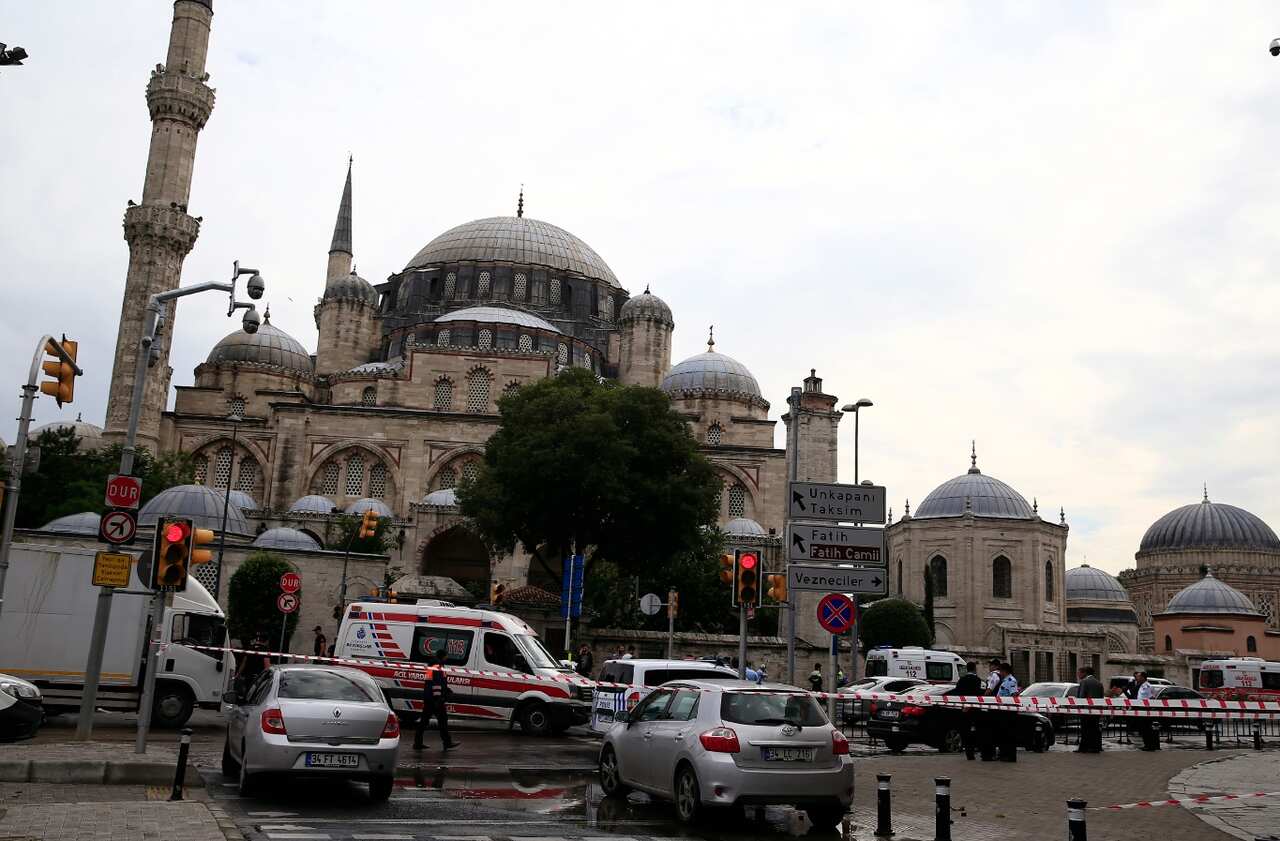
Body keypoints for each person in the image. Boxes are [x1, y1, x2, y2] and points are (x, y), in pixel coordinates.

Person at [414, 650, 458, 751]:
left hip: (430, 698)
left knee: (424, 721)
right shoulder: (437, 667)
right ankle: (447, 742)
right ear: (443, 657)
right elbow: (436, 684)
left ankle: (417, 743)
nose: (447, 658)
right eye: (446, 656)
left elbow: (436, 683)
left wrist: (446, 690)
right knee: (442, 720)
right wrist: (438, 699)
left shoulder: (434, 666)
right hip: (435, 699)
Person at [953, 662, 984, 760]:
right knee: (976, 730)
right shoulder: (977, 680)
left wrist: (963, 705)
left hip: (964, 709)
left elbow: (957, 693)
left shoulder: (961, 680)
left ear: (967, 669)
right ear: (974, 669)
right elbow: (978, 694)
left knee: (965, 731)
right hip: (975, 709)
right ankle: (977, 748)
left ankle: (968, 752)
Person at [995, 663, 1020, 762]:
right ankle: (1004, 754)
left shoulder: (1011, 681)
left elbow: (1014, 695)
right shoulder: (1005, 681)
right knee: (1004, 734)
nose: (1000, 673)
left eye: (1000, 671)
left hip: (1008, 711)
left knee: (1009, 734)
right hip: (1003, 710)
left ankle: (1010, 756)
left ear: (1004, 671)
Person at [1076, 666, 1104, 753]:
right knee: (1094, 729)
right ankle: (1095, 747)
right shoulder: (1099, 683)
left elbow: (1081, 697)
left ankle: (1083, 748)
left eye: (1079, 672)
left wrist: (1079, 708)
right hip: (1097, 710)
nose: (1078, 674)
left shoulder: (1084, 682)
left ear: (1085, 673)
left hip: (1086, 710)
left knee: (1085, 729)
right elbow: (1101, 697)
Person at [1134, 672, 1160, 751]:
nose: (1136, 678)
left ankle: (1150, 745)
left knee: (1147, 728)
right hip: (1141, 709)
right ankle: (1146, 744)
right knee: (1143, 728)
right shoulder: (1140, 686)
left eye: (1138, 677)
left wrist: (1150, 708)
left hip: (1146, 710)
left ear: (1143, 678)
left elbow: (1152, 698)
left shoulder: (1148, 686)